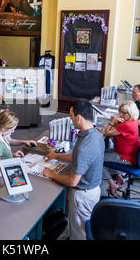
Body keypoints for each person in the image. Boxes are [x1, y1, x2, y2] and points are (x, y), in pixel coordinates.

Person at [42, 99, 104, 240]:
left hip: (82, 196)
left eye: (71, 117)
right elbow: (79, 158)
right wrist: (56, 155)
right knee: (81, 228)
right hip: (94, 189)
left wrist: (50, 174)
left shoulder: (84, 146)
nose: (71, 120)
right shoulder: (96, 134)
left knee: (80, 234)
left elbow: (72, 181)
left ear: (79, 117)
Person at [101, 101, 140, 197]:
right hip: (131, 153)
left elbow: (106, 132)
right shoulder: (133, 121)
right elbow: (119, 129)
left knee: (98, 159)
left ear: (130, 113)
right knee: (105, 153)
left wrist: (111, 122)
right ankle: (119, 178)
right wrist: (116, 122)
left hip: (126, 157)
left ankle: (112, 185)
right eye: (120, 112)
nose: (120, 115)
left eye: (123, 113)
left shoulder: (126, 125)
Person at [0, 94, 37, 159]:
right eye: (2, 115)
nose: (5, 117)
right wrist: (0, 149)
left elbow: (8, 140)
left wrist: (24, 142)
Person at [0, 110, 25, 177]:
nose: (13, 131)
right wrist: (21, 170)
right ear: (3, 128)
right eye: (12, 129)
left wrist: (11, 154)